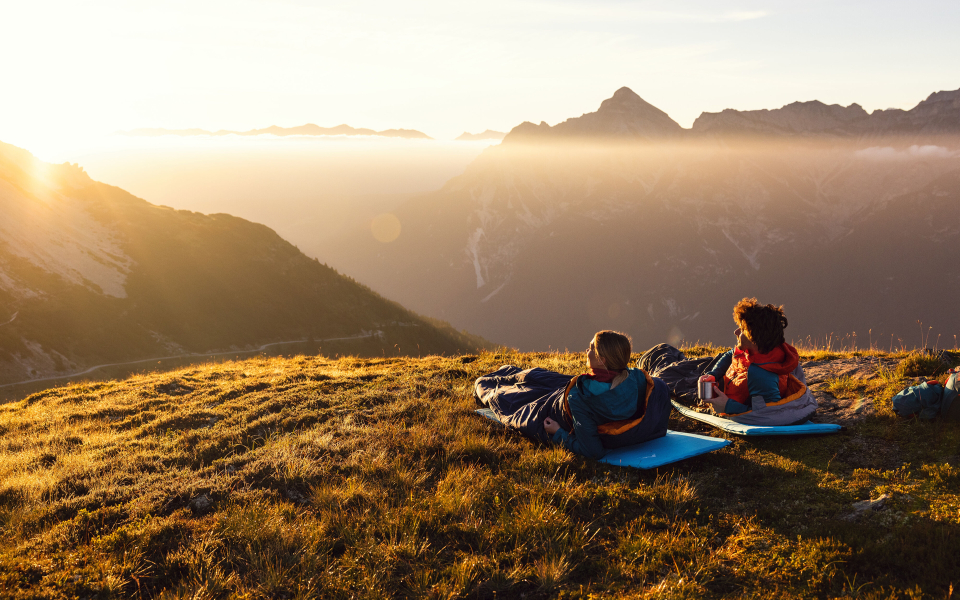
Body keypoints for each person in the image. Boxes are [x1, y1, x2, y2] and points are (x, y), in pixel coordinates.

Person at [474, 330, 670, 459]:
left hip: (553, 408)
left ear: (602, 360)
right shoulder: (650, 385)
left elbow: (593, 451)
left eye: (591, 348)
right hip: (576, 392)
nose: (587, 350)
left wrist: (558, 433)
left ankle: (489, 380)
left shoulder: (580, 396)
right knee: (543, 378)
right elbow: (658, 423)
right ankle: (509, 372)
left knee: (505, 396)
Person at [637, 298, 817, 426]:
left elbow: (765, 412)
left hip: (724, 395)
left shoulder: (762, 375)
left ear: (755, 338)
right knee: (665, 354)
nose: (736, 332)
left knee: (663, 378)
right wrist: (714, 373)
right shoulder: (761, 349)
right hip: (724, 379)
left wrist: (726, 405)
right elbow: (729, 355)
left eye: (743, 330)